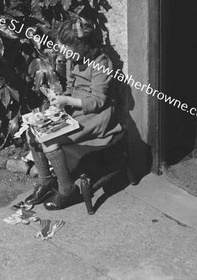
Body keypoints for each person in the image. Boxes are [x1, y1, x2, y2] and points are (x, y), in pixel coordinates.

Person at [26, 16, 124, 210]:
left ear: (83, 46)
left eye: (67, 49)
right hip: (75, 110)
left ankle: (67, 191)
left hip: (97, 116)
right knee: (32, 132)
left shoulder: (101, 63)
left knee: (49, 140)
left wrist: (68, 101)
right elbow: (71, 88)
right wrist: (59, 98)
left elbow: (98, 101)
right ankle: (46, 181)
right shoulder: (74, 59)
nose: (64, 53)